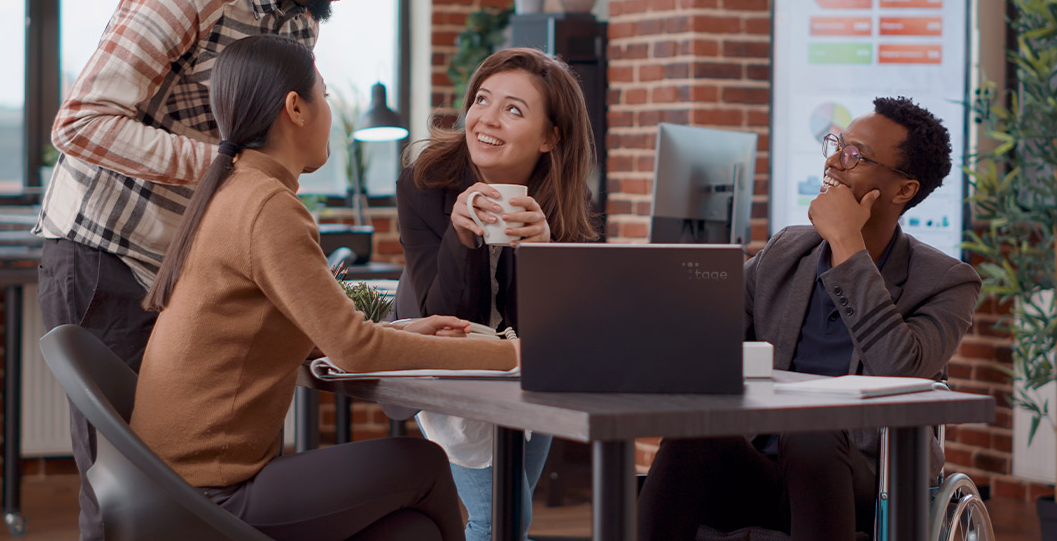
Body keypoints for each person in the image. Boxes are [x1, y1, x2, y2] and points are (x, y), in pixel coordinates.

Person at [32, 0, 377, 538]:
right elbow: (80, 122)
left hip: (187, 274)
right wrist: (229, 168)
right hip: (110, 257)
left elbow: (273, 142)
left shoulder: (297, 18)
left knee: (214, 493)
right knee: (125, 498)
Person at [128, 34, 518, 541]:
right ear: (296, 108)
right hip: (209, 492)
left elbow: (296, 334)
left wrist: (406, 331)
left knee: (411, 530)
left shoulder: (235, 190)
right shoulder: (268, 207)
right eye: (326, 96)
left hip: (170, 482)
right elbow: (356, 351)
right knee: (422, 462)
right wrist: (513, 357)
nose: (330, 112)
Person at [637, 97, 982, 540]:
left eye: (855, 155)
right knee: (695, 432)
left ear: (904, 190)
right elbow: (705, 333)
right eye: (837, 144)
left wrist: (846, 243)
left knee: (810, 425)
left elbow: (897, 365)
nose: (835, 161)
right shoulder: (786, 252)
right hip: (766, 470)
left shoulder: (946, 281)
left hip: (867, 482)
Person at [395, 47, 598, 541]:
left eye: (513, 109)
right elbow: (447, 320)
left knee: (512, 513)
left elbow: (565, 328)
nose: (487, 119)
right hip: (442, 359)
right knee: (500, 519)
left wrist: (545, 255)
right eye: (482, 99)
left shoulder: (570, 204)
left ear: (551, 137)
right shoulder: (425, 185)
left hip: (526, 363)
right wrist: (460, 238)